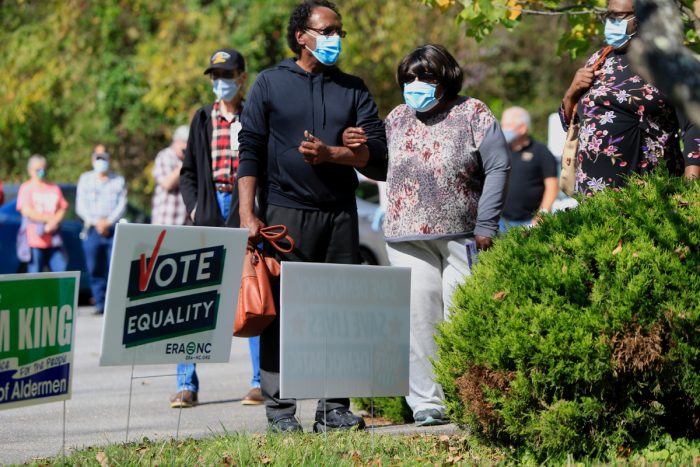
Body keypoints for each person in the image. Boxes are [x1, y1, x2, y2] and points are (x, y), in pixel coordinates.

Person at [237, 0, 387, 433]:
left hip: (340, 215)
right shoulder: (269, 84)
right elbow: (248, 152)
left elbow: (377, 161)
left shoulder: (354, 89)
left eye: (339, 31)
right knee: (283, 314)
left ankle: (334, 408)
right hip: (285, 215)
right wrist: (249, 214)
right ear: (301, 35)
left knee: (339, 312)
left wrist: (340, 153)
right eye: (327, 31)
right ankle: (281, 412)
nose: (335, 39)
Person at [344, 44, 510, 426]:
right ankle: (426, 404)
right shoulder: (398, 117)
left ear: (445, 78)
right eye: (409, 79)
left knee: (460, 315)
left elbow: (499, 166)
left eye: (426, 77)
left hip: (464, 235)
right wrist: (361, 152)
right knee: (419, 321)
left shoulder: (473, 111)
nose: (416, 85)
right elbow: (385, 169)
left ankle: (469, 398)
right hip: (407, 237)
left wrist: (487, 223)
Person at [178, 48, 263, 409]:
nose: (220, 83)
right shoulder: (202, 120)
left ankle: (260, 383)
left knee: (254, 296)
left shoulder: (256, 117)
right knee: (196, 301)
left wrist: (254, 212)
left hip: (244, 213)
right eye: (215, 77)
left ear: (242, 77)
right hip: (210, 211)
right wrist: (196, 207)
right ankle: (186, 385)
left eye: (227, 76)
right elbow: (188, 175)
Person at [559, 0, 700, 196]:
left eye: (618, 16)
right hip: (593, 195)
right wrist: (572, 91)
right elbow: (571, 122)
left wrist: (691, 191)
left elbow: (694, 126)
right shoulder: (599, 59)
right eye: (608, 15)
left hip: (648, 194)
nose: (610, 22)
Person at [76, 145, 127, 315]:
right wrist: (96, 222)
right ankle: (100, 304)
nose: (101, 161)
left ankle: (115, 305)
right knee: (94, 268)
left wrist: (108, 222)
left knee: (115, 268)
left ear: (109, 159)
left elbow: (122, 205)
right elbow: (80, 206)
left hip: (113, 230)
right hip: (92, 230)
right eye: (98, 158)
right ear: (92, 160)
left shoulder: (118, 180)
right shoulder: (85, 179)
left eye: (103, 157)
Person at [499, 106, 558, 231]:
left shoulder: (541, 152)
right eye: (502, 125)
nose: (503, 129)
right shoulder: (501, 151)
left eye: (508, 125)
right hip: (502, 221)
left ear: (523, 128)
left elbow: (552, 186)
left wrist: (542, 216)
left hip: (529, 222)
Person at [16, 154, 69, 272]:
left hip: (54, 240)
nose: (42, 172)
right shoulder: (26, 188)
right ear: (30, 171)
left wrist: (54, 221)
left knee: (61, 271)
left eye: (43, 168)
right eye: (38, 169)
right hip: (34, 241)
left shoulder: (54, 188)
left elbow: (63, 208)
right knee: (35, 275)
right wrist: (49, 219)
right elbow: (26, 211)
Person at [151, 125, 189, 226]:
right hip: (165, 224)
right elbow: (167, 184)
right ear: (177, 141)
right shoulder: (165, 156)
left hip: (184, 225)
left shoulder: (188, 161)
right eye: (185, 143)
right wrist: (186, 164)